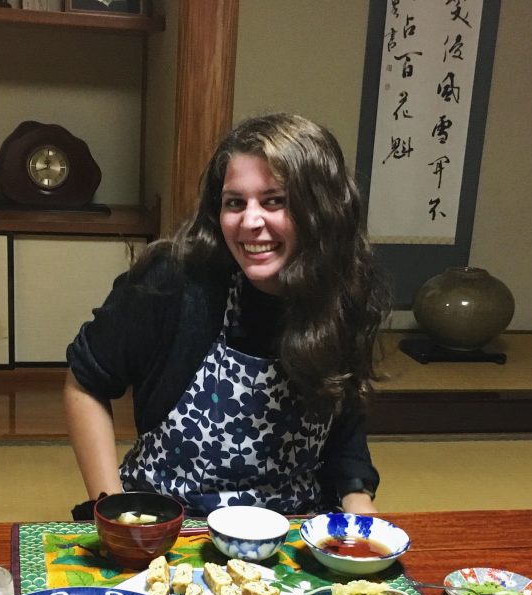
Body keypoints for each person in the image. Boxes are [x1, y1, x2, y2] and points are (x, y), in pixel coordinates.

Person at [64, 112, 391, 519]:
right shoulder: (174, 281)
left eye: (275, 201)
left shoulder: (341, 292)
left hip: (292, 527)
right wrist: (115, 510)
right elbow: (85, 383)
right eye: (235, 203)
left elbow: (345, 419)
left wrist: (358, 505)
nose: (250, 222)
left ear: (321, 209)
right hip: (168, 523)